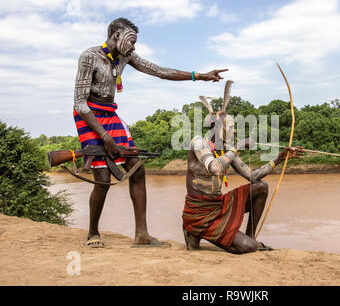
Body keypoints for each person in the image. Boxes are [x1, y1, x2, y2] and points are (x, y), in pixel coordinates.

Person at [73, 17, 227, 248]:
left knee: (136, 167)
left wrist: (200, 75)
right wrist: (105, 138)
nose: (134, 47)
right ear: (116, 35)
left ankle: (142, 235)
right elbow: (80, 103)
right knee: (103, 177)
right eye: (131, 41)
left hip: (110, 114)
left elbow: (160, 71)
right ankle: (93, 233)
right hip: (89, 116)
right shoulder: (89, 56)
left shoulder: (125, 57)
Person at [182, 81, 305, 253]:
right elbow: (215, 168)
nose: (233, 132)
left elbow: (253, 177)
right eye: (230, 128)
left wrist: (279, 158)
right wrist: (237, 147)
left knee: (261, 187)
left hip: (217, 207)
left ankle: (251, 237)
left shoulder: (226, 151)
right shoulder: (199, 142)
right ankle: (194, 232)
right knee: (247, 248)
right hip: (199, 214)